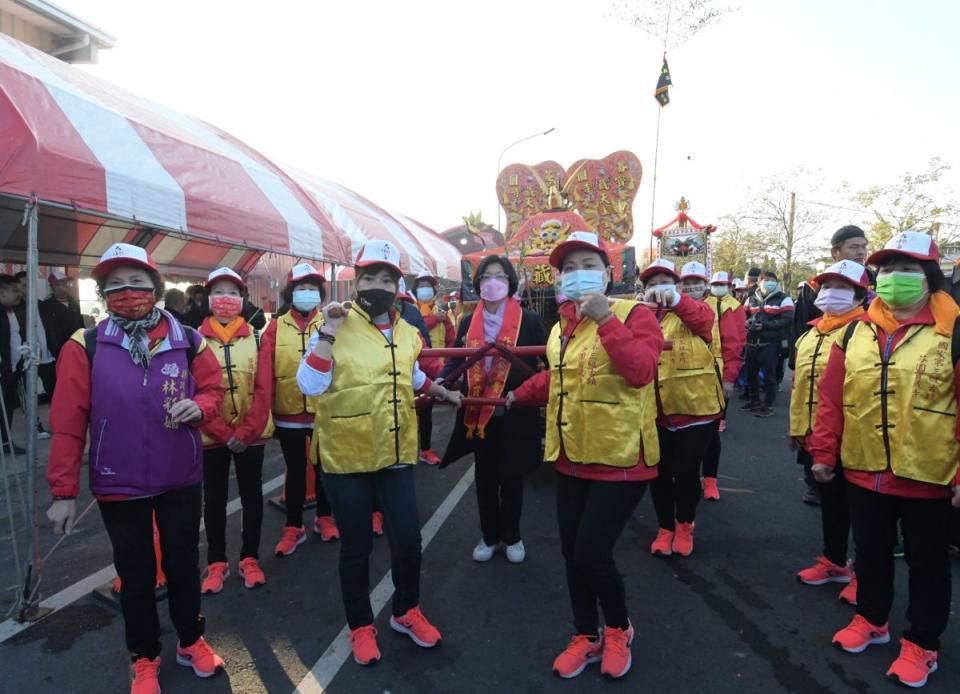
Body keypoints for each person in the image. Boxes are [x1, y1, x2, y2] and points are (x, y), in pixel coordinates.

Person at [45, 243, 226, 694]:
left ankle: (191, 639)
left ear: (157, 288)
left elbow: (214, 389)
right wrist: (63, 493)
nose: (128, 293)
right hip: (118, 481)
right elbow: (68, 424)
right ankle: (144, 656)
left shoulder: (189, 340)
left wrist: (200, 406)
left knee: (184, 565)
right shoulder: (83, 344)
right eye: (115, 287)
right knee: (137, 573)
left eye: (137, 284)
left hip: (179, 476)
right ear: (103, 294)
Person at [507, 226, 664, 680]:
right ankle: (584, 633)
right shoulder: (561, 327)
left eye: (588, 266)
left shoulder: (635, 314)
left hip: (623, 457)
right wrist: (523, 392)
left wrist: (606, 320)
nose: (577, 275)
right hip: (571, 454)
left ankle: (617, 628)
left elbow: (640, 373)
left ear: (609, 273)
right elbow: (561, 378)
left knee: (593, 551)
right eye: (568, 269)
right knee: (572, 554)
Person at [297, 240, 462, 666]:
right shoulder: (331, 323)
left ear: (397, 284)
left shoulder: (407, 332)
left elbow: (410, 375)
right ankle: (360, 625)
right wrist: (329, 332)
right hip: (346, 456)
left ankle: (406, 610)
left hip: (394, 452)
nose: (376, 285)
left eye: (386, 278)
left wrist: (441, 390)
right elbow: (309, 386)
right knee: (356, 547)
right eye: (369, 277)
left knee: (408, 538)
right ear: (357, 280)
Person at [808, 231, 960, 689]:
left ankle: (922, 643)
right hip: (864, 467)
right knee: (871, 552)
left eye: (908, 270)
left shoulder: (952, 331)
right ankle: (873, 619)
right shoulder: (856, 330)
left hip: (930, 474)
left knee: (927, 562)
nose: (895, 279)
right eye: (888, 270)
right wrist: (823, 451)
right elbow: (831, 397)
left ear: (930, 276)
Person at [440, 255, 547, 563]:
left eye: (500, 275)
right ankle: (489, 536)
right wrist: (441, 383)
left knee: (512, 477)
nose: (493, 281)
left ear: (510, 282)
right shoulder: (465, 322)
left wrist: (528, 392)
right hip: (478, 413)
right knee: (485, 478)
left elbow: (547, 365)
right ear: (478, 284)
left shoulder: (530, 320)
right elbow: (455, 361)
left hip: (516, 409)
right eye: (486, 276)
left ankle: (512, 536)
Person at [790, 260, 870, 607]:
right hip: (815, 435)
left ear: (860, 295)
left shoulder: (865, 333)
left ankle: (866, 575)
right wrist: (796, 429)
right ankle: (834, 561)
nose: (830, 294)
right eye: (826, 287)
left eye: (841, 288)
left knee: (865, 513)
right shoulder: (810, 333)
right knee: (831, 504)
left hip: (855, 438)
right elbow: (799, 386)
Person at [198, 268, 274, 594]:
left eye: (232, 291)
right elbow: (193, 390)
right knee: (213, 500)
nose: (225, 298)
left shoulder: (258, 336)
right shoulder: (193, 340)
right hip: (210, 437)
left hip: (251, 435)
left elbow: (264, 389)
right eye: (219, 291)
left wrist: (244, 432)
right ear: (208, 299)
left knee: (252, 496)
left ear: (243, 299)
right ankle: (216, 561)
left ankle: (250, 557)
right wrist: (219, 431)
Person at [642, 259, 723, 557]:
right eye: (652, 283)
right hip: (655, 410)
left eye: (666, 282)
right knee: (659, 474)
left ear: (678, 287)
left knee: (687, 472)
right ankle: (665, 527)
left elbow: (701, 320)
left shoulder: (698, 310)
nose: (658, 288)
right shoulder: (640, 316)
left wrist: (676, 301)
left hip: (696, 408)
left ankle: (685, 522)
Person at [259, 263, 340, 552]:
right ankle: (293, 526)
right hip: (288, 411)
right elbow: (265, 371)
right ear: (290, 293)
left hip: (324, 410)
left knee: (323, 468)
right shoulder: (274, 327)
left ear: (320, 294)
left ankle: (325, 517)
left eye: (312, 289)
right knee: (295, 469)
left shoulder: (332, 323)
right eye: (301, 288)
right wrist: (265, 414)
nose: (307, 293)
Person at [699, 270, 746, 500]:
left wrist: (729, 378)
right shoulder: (691, 305)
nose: (718, 287)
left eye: (722, 284)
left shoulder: (733, 306)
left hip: (714, 368)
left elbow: (734, 343)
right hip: (678, 377)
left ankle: (710, 479)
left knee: (710, 429)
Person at [793, 226, 870, 338]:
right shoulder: (813, 286)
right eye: (854, 247)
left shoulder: (878, 280)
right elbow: (799, 329)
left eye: (864, 247)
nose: (861, 252)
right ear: (835, 252)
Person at [414, 271, 455, 466]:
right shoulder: (409, 309)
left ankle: (426, 449)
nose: (424, 289)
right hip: (413, 368)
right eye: (421, 285)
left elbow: (451, 341)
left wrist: (450, 370)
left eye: (427, 285)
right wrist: (435, 319)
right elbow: (417, 326)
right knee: (409, 410)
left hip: (436, 370)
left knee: (426, 412)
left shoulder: (443, 314)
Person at [742, 271, 794, 417]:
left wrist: (765, 326)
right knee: (751, 375)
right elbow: (743, 316)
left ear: (776, 282)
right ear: (759, 282)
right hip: (751, 343)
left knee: (769, 377)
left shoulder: (784, 299)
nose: (769, 282)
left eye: (772, 280)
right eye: (765, 280)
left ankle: (768, 406)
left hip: (770, 344)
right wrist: (746, 323)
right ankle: (754, 401)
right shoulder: (751, 299)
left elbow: (788, 320)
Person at [37, 269, 84, 405]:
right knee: (58, 392)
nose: (67, 287)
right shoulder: (46, 307)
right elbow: (48, 333)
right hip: (56, 356)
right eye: (62, 284)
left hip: (77, 352)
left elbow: (80, 326)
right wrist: (57, 352)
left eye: (67, 284)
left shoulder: (74, 303)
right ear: (54, 286)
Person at [0, 274, 25, 454]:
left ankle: (6, 442)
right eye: (14, 290)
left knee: (7, 408)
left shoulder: (12, 311)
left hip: (12, 369)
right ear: (1, 292)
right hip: (2, 370)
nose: (19, 294)